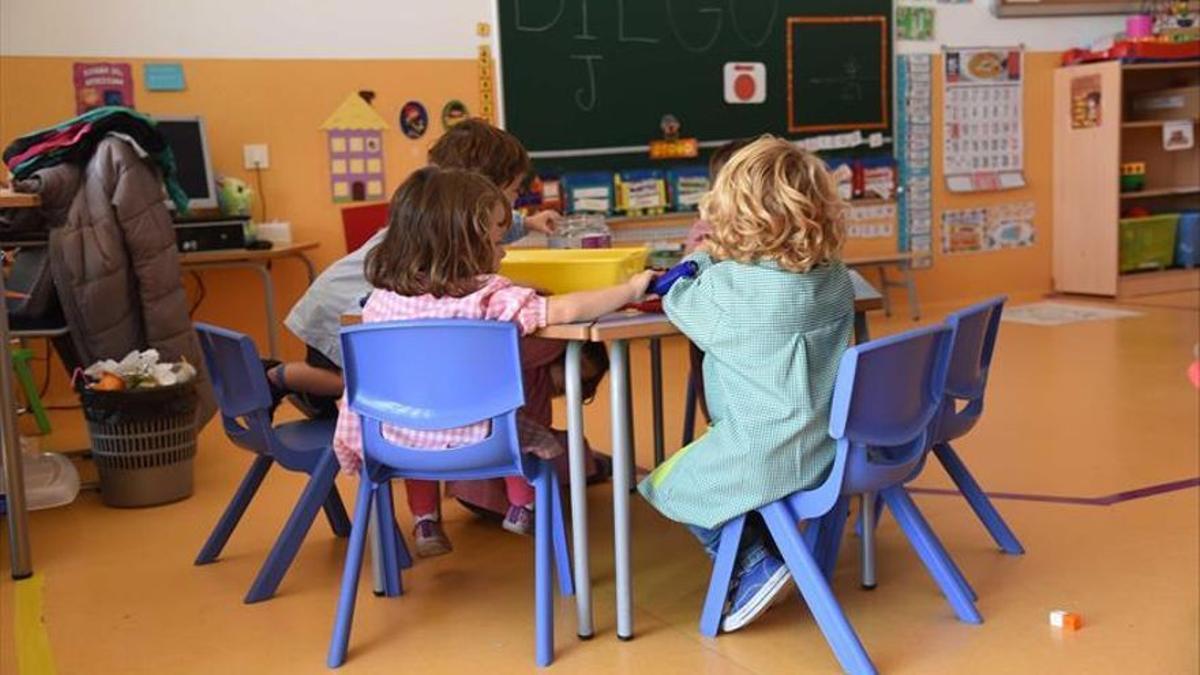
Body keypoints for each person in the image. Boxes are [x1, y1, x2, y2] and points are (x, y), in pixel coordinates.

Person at [334, 166, 655, 557]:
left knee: (423, 423)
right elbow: (565, 307)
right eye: (498, 241)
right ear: (467, 242)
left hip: (392, 441)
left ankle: (424, 520)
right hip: (483, 442)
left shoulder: (381, 302)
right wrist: (629, 289)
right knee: (524, 429)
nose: (503, 252)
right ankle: (524, 506)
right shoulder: (489, 297)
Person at [638, 136, 854, 633]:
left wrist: (700, 258)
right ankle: (777, 546)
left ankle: (754, 561)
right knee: (709, 472)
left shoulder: (725, 290)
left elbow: (679, 299)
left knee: (667, 482)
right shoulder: (835, 278)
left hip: (761, 451)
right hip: (830, 449)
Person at [271, 119, 564, 418]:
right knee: (370, 383)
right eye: (514, 191)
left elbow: (488, 228)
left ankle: (307, 390)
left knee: (383, 379)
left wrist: (528, 223)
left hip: (344, 303)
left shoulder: (438, 223)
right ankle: (281, 377)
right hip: (337, 311)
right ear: (481, 190)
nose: (516, 200)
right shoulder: (430, 234)